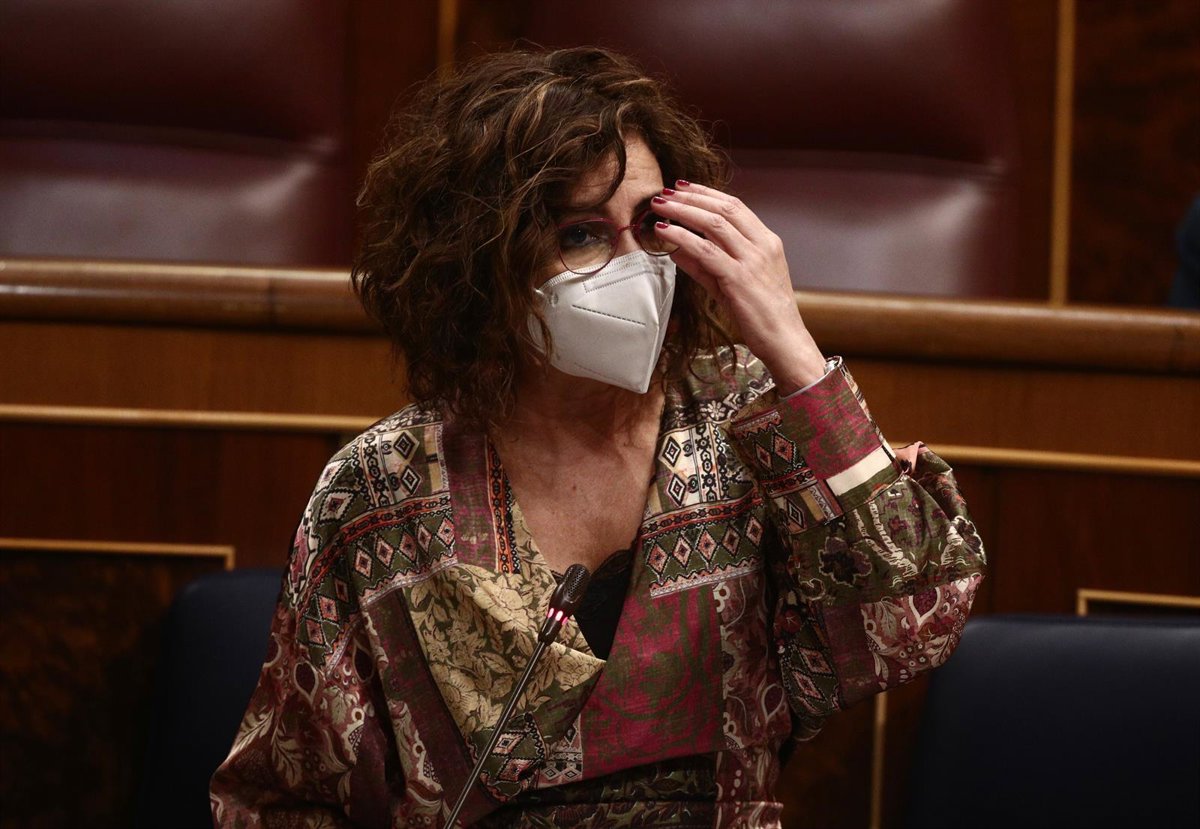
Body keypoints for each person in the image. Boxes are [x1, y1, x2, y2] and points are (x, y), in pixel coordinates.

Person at [210, 47, 986, 828]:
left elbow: (914, 622)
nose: (635, 265)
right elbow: (284, 797)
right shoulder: (382, 485)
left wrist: (793, 349)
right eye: (581, 233)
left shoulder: (750, 420)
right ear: (483, 263)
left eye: (651, 226)